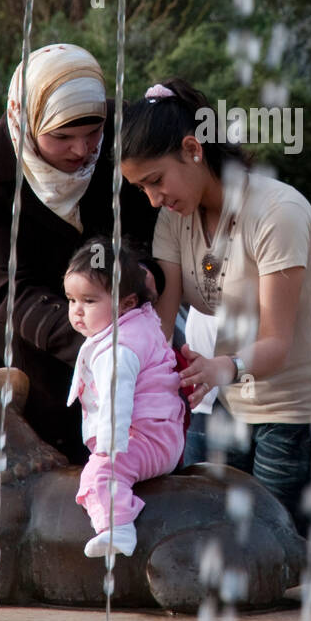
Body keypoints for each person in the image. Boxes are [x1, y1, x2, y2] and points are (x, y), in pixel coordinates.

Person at [120, 79, 311, 534]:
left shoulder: (275, 213)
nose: (153, 199)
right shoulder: (174, 217)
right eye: (140, 188)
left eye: (155, 181)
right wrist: (133, 377)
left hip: (301, 410)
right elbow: (160, 327)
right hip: (231, 400)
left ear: (193, 149)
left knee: (268, 548)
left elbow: (277, 344)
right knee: (205, 533)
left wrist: (219, 368)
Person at [0, 44, 157, 465]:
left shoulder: (123, 132)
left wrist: (148, 285)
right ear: (25, 120)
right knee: (13, 497)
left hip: (123, 345)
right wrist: (100, 343)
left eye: (92, 132)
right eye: (61, 136)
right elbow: (6, 287)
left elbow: (147, 239)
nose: (82, 150)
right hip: (22, 354)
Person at [64, 238, 186, 557]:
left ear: (126, 303)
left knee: (99, 473)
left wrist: (107, 450)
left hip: (148, 439)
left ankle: (118, 529)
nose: (77, 310)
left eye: (89, 301)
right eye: (71, 299)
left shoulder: (119, 350)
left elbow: (117, 403)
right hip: (160, 432)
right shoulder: (139, 323)